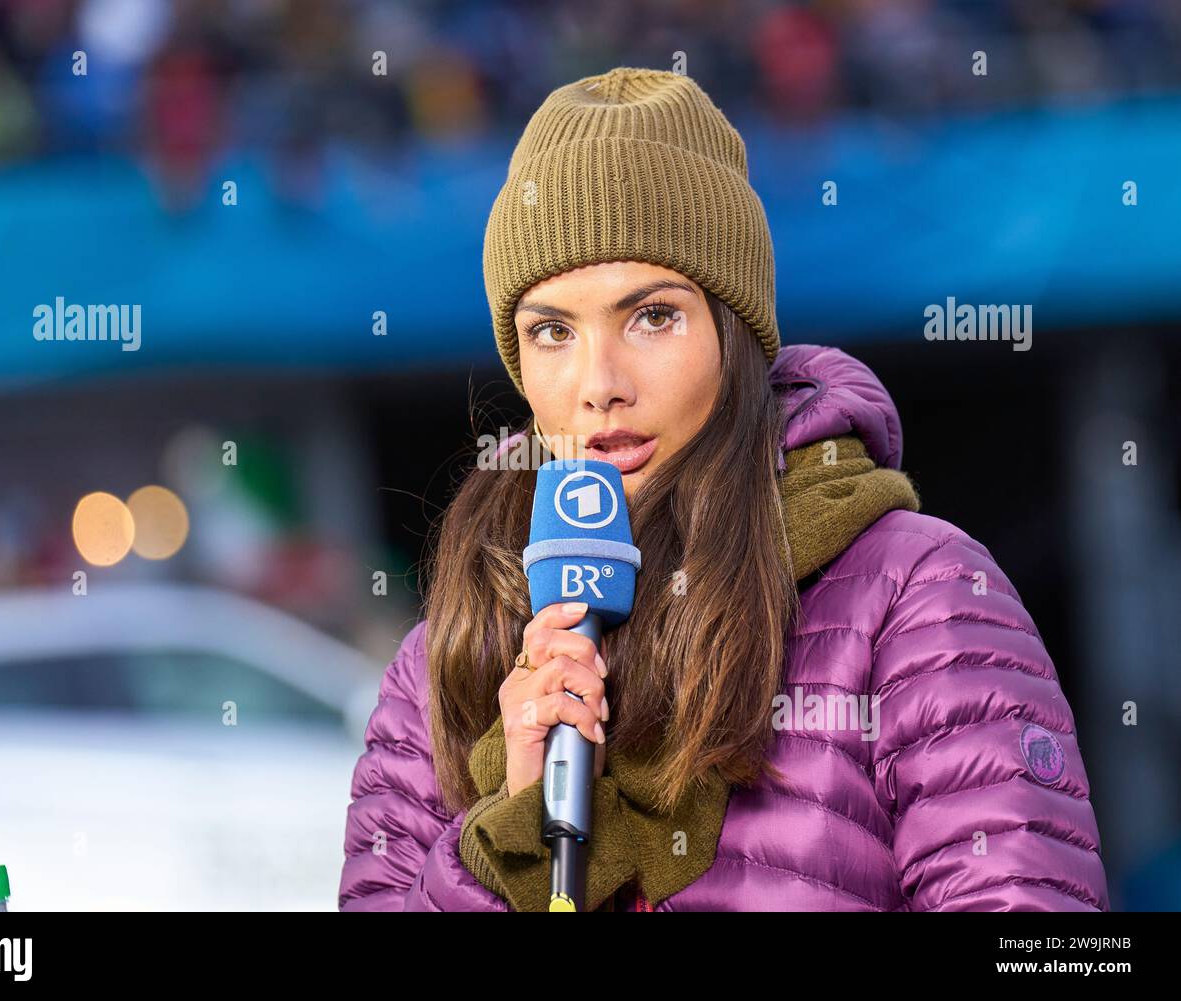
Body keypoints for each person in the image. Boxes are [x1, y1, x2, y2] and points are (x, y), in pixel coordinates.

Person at [337, 67, 1109, 912]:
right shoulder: (445, 658)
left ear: (733, 331)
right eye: (552, 331)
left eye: (652, 316)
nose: (601, 383)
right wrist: (510, 842)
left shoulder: (915, 594)